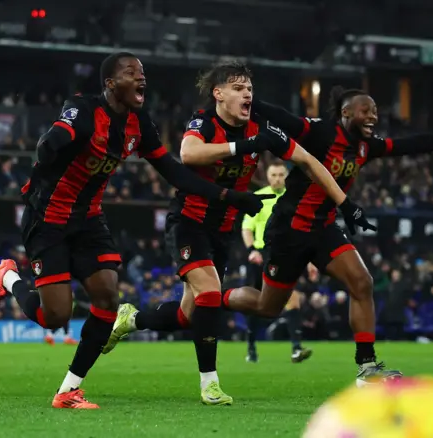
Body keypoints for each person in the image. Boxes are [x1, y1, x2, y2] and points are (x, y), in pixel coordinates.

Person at [0, 52, 272, 409]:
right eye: (132, 73)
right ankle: (8, 279)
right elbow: (53, 139)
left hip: (89, 219)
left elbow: (174, 172)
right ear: (111, 84)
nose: (141, 78)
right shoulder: (84, 111)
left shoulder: (139, 124)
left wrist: (228, 196)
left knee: (107, 297)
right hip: (49, 219)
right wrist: (50, 145)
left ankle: (68, 391)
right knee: (54, 316)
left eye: (143, 73)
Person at [101, 61, 375, 405]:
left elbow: (308, 161)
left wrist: (345, 203)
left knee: (189, 315)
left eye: (249, 88)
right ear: (218, 94)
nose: (247, 93)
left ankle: (131, 319)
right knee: (211, 294)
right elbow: (188, 153)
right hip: (189, 221)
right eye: (238, 88)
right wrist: (244, 147)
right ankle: (209, 384)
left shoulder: (261, 127)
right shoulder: (205, 122)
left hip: (223, 229)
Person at [218, 87, 433, 386]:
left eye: (375, 111)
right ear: (345, 112)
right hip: (288, 230)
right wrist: (248, 101)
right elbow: (282, 117)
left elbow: (412, 144)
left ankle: (367, 368)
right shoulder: (320, 132)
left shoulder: (366, 146)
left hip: (324, 228)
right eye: (366, 110)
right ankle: (215, 297)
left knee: (361, 282)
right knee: (267, 307)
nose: (373, 116)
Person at [241, 162, 311, 363]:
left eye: (281, 174)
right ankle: (251, 347)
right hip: (261, 254)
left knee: (293, 297)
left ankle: (297, 348)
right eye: (274, 174)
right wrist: (251, 250)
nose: (278, 178)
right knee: (256, 303)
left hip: (286, 253)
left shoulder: (295, 197)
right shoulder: (260, 197)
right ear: (268, 176)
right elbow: (247, 228)